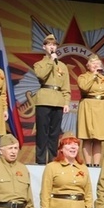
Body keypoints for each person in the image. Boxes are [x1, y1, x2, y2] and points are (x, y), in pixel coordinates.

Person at [33, 33, 70, 164]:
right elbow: (41, 76)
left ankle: (53, 160)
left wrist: (66, 102)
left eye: (54, 45)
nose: (52, 47)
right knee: (42, 132)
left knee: (55, 133)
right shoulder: (39, 64)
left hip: (58, 100)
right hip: (44, 99)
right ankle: (40, 160)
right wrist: (50, 60)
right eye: (49, 45)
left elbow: (66, 85)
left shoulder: (63, 66)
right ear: (44, 47)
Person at [76, 54, 104, 166]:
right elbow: (84, 87)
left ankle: (96, 164)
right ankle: (88, 163)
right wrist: (93, 76)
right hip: (88, 107)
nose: (96, 65)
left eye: (98, 64)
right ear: (88, 66)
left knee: (98, 138)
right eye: (94, 63)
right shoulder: (83, 77)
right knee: (87, 137)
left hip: (102, 109)